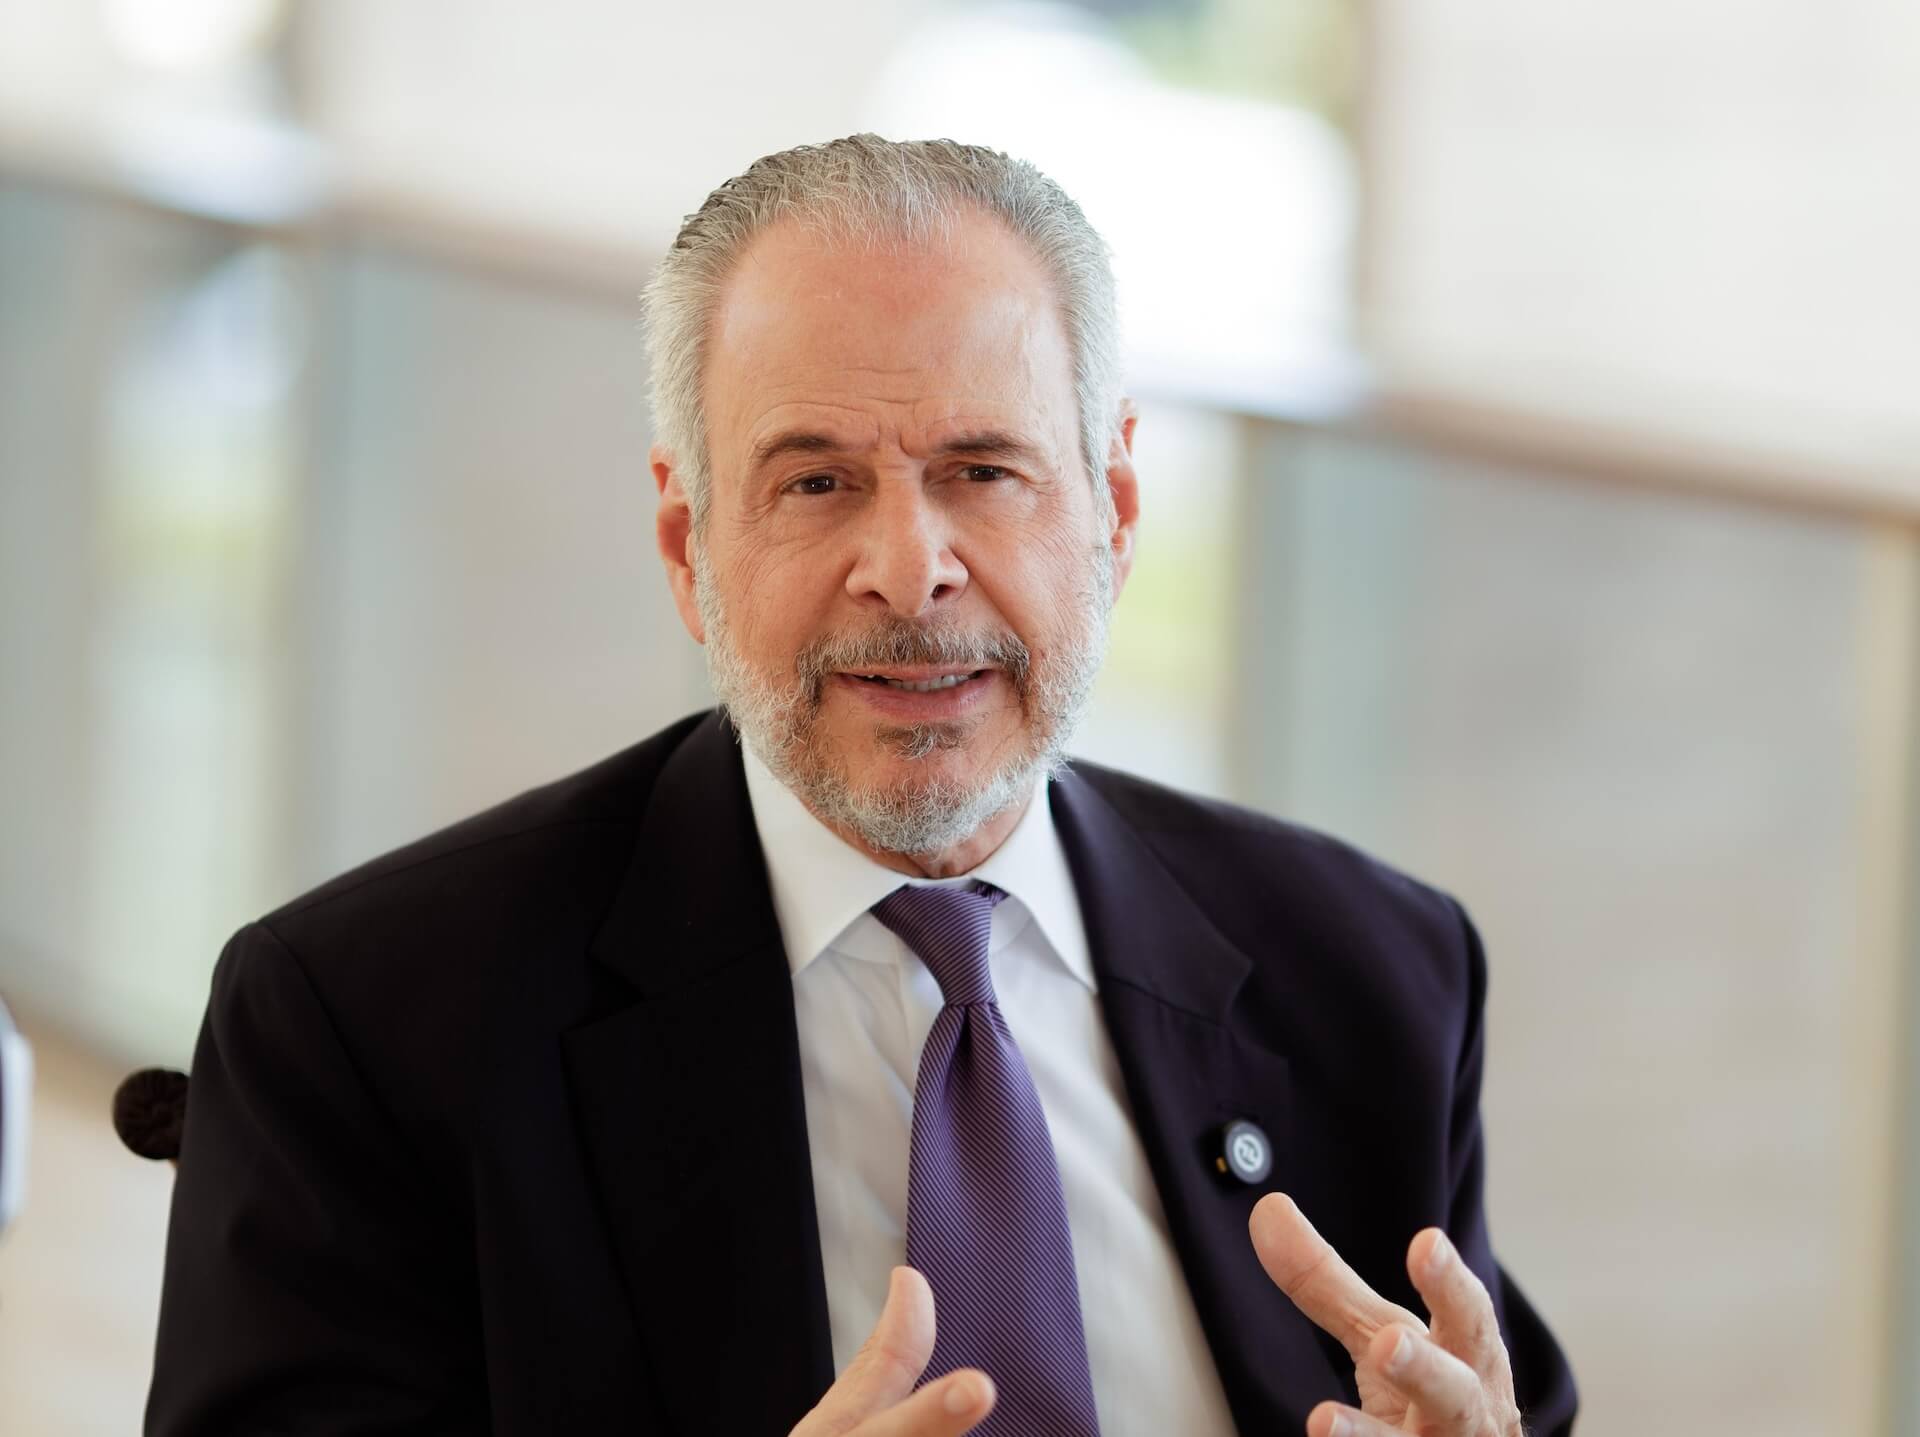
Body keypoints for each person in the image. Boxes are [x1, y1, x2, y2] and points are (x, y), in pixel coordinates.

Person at [147, 135, 1577, 1437]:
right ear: (688, 548)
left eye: (984, 470)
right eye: (817, 483)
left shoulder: (1373, 974)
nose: (908, 569)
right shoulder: (364, 1025)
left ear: (1117, 511)